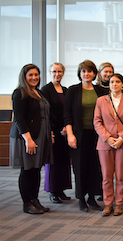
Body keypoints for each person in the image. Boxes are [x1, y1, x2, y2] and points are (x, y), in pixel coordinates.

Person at [64, 60, 107, 212]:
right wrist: (70, 134)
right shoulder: (73, 90)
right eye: (83, 71)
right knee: (80, 167)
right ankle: (81, 198)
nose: (86, 74)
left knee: (95, 167)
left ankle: (92, 198)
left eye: (89, 71)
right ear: (79, 73)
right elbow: (67, 114)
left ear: (94, 74)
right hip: (79, 135)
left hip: (97, 135)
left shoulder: (101, 91)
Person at [10, 64, 53, 214]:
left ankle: (35, 200)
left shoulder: (38, 92)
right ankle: (27, 203)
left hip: (40, 136)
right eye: (30, 75)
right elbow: (19, 119)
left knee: (36, 169)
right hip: (27, 137)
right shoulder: (19, 93)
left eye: (36, 75)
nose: (34, 78)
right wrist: (28, 139)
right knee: (27, 170)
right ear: (24, 77)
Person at [93, 73, 123, 216]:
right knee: (106, 176)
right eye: (112, 82)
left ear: (122, 84)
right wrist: (108, 138)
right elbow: (97, 122)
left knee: (121, 175)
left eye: (117, 82)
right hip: (105, 143)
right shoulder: (101, 100)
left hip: (122, 143)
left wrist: (121, 138)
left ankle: (119, 203)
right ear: (109, 84)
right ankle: (108, 203)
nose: (115, 84)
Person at [41, 63, 72, 204]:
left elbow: (68, 110)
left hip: (65, 131)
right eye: (54, 71)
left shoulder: (65, 90)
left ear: (63, 73)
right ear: (50, 72)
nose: (57, 74)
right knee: (52, 162)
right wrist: (58, 127)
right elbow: (47, 112)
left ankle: (61, 190)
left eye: (59, 71)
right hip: (53, 130)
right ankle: (53, 191)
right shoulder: (45, 90)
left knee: (63, 161)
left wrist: (67, 127)